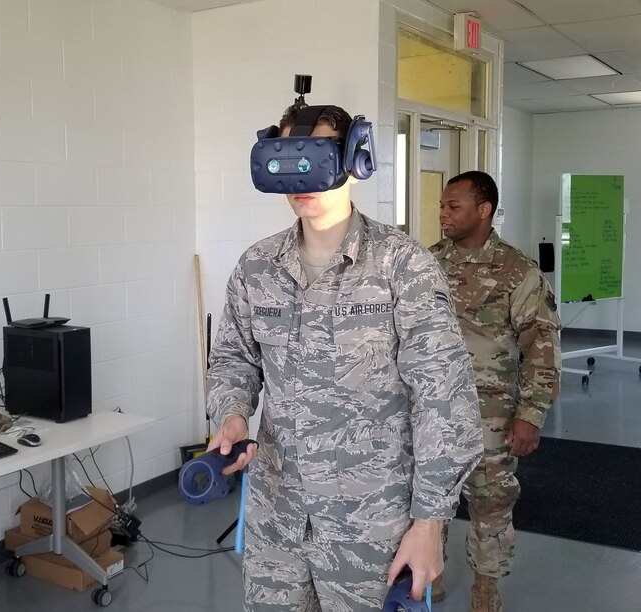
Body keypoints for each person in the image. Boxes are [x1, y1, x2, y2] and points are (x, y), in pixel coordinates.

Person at [205, 102, 483, 610]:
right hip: (278, 517)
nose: (299, 177)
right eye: (286, 159)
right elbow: (233, 359)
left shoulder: (403, 265)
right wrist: (232, 415)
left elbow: (444, 399)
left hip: (370, 523)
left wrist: (429, 524)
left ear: (355, 160)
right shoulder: (256, 267)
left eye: (316, 158)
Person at [428, 171, 561, 612]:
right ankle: (431, 570)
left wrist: (531, 415)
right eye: (442, 206)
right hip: (428, 408)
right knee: (428, 492)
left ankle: (486, 584)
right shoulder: (426, 264)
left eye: (454, 206)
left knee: (491, 498)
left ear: (483, 210)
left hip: (491, 412)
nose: (443, 214)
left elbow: (541, 345)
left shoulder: (517, 270)